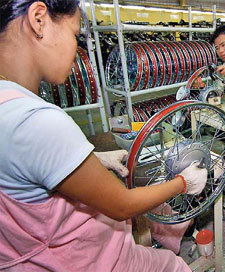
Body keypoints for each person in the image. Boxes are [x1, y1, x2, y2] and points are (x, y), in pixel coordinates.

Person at [0, 1, 207, 271]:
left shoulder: (9, 103)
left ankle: (179, 233)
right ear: (39, 20)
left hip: (26, 251)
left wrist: (92, 158)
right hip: (80, 257)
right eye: (75, 35)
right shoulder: (38, 122)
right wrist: (183, 182)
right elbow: (122, 206)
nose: (78, 50)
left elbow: (23, 161)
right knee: (173, 266)